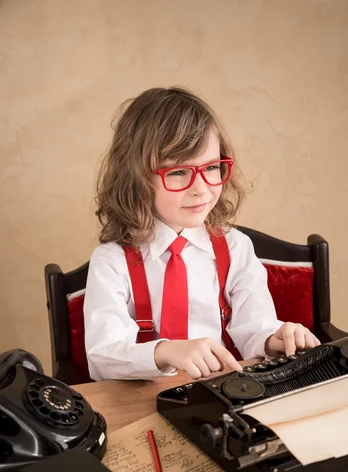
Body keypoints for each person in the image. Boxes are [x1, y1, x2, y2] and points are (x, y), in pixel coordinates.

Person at [84, 86, 319, 381]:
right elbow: (103, 356)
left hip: (221, 392)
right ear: (137, 178)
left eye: (211, 167)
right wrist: (164, 351)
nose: (202, 189)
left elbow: (254, 329)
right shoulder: (112, 261)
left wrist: (278, 337)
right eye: (178, 172)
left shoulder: (235, 248)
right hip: (141, 400)